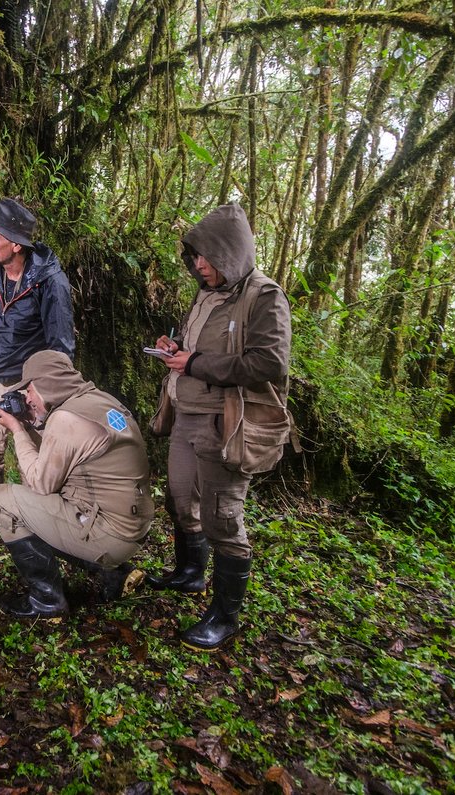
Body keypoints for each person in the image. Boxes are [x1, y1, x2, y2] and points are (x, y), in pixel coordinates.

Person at [148, 204, 291, 651]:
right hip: (185, 415)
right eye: (194, 256)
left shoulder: (264, 296)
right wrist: (175, 347)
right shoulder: (206, 293)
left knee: (221, 517)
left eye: (206, 257)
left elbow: (269, 362)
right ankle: (190, 573)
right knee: (180, 500)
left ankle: (225, 617)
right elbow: (197, 347)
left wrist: (195, 363)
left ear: (231, 253)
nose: (199, 265)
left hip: (225, 424)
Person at [0, 350, 154, 618]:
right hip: (133, 527)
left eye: (29, 389)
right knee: (37, 508)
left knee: (2, 501)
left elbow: (40, 485)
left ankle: (46, 601)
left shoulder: (66, 419)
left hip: (111, 535)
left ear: (46, 384)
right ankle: (114, 573)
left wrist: (18, 430)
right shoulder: (100, 400)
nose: (27, 398)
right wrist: (34, 425)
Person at [0, 198, 76, 545]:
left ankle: (42, 524)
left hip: (31, 381)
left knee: (37, 455)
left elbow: (61, 345)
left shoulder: (50, 282)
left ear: (16, 244)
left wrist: (43, 390)